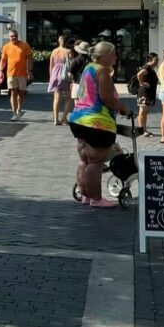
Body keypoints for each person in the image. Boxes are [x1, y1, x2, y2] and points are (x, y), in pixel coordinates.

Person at [68, 40, 132, 208]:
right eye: (113, 54)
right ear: (104, 56)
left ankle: (86, 196)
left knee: (85, 160)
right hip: (97, 123)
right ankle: (96, 199)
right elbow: (107, 98)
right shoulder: (102, 71)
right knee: (96, 162)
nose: (116, 57)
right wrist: (123, 108)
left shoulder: (88, 68)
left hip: (79, 120)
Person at [0, 28, 33, 121]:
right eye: (12, 36)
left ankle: (19, 109)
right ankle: (14, 113)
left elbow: (29, 59)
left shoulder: (24, 45)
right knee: (13, 92)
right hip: (11, 73)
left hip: (22, 74)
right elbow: (3, 60)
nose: (14, 38)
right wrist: (0, 71)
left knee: (21, 93)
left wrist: (30, 71)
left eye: (15, 36)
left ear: (18, 36)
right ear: (9, 37)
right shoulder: (6, 47)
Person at [47, 35, 73, 126]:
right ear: (66, 42)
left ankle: (55, 119)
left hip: (55, 74)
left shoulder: (54, 51)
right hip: (65, 75)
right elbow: (71, 65)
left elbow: (51, 65)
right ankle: (64, 118)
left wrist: (51, 77)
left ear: (59, 41)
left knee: (56, 98)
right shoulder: (68, 51)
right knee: (70, 97)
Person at [135, 53, 160, 136]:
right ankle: (141, 129)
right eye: (155, 59)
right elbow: (139, 74)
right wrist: (141, 83)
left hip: (148, 93)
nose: (157, 61)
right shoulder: (147, 67)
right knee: (142, 112)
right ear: (150, 60)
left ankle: (144, 129)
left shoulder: (151, 68)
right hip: (144, 93)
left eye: (157, 59)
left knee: (145, 112)